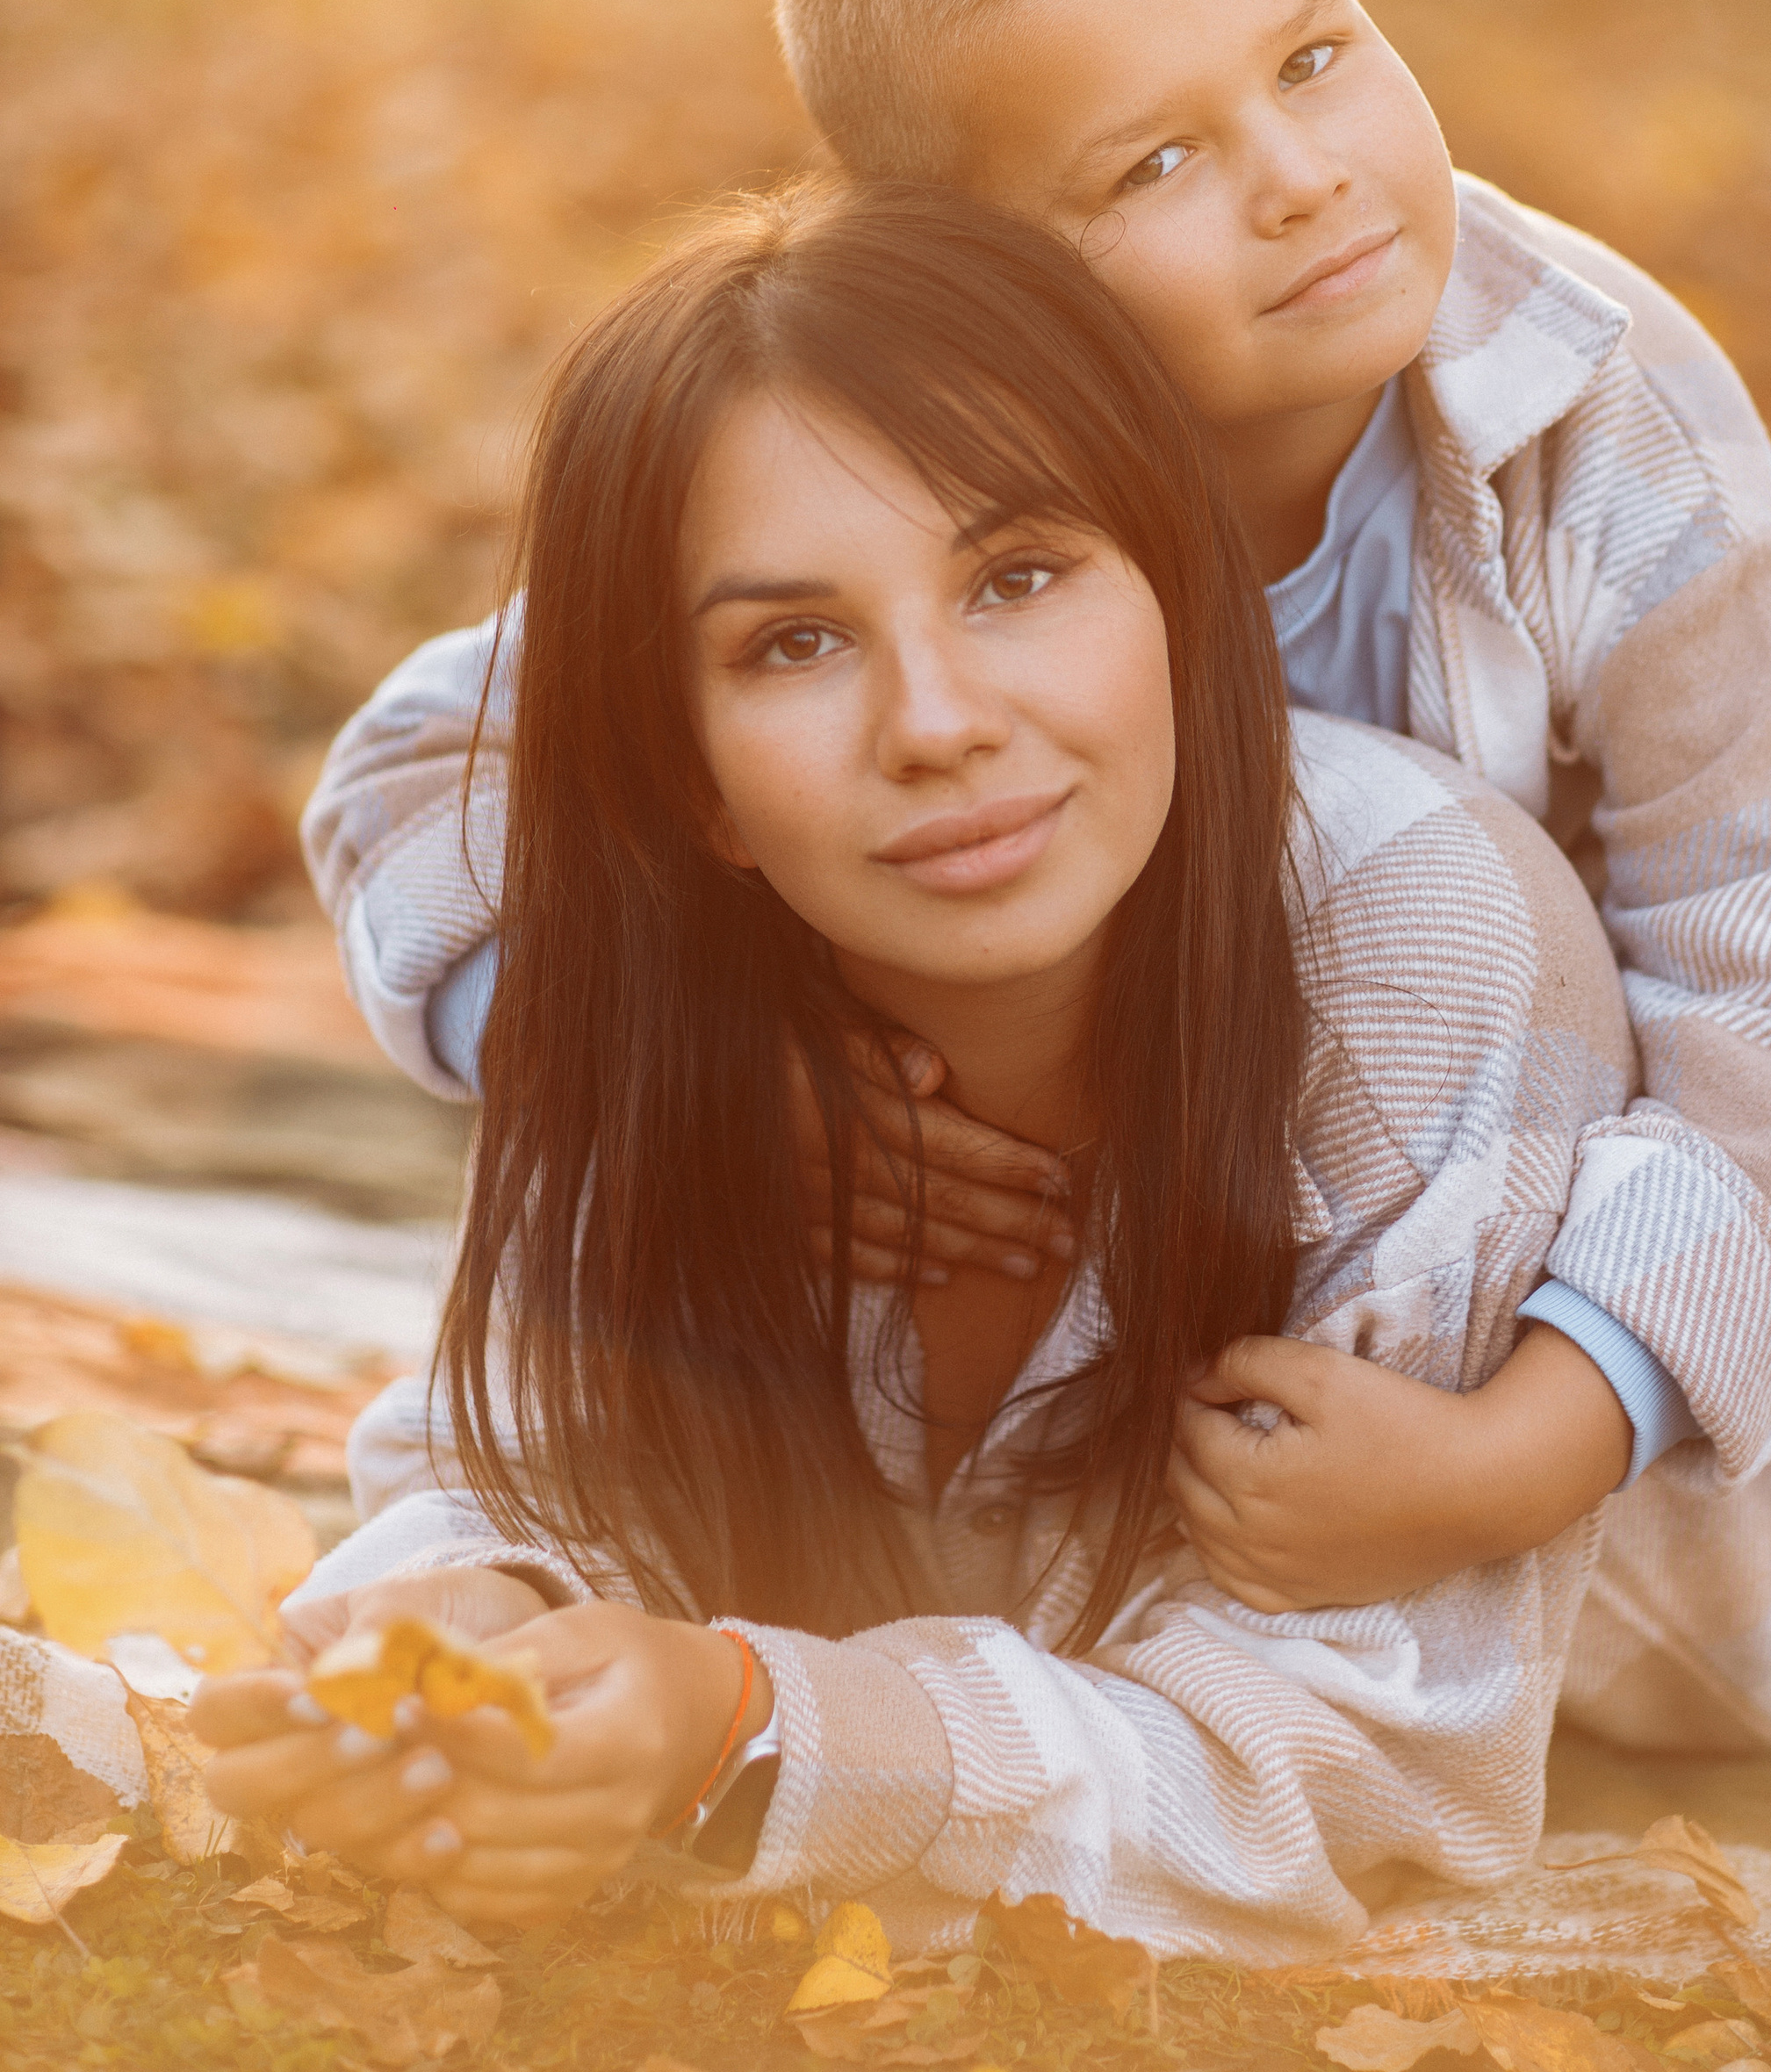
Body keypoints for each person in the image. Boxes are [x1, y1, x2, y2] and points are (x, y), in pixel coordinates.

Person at [304, 0, 1771, 1788]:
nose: (1300, 176)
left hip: (1657, 1029)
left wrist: (1512, 1452)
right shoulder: (922, 464)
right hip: (1363, 1058)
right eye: (1152, 164)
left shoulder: (1599, 407)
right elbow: (435, 770)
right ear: (974, 257)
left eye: (1312, 58)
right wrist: (665, 1070)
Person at [195, 183, 1658, 1953]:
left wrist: (747, 1726)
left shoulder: (1423, 938)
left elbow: (1352, 1769)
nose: (939, 723)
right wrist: (448, 1637)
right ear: (690, 780)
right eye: (793, 643)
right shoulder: (679, 994)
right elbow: (526, 1461)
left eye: (1018, 577)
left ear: (1178, 594)